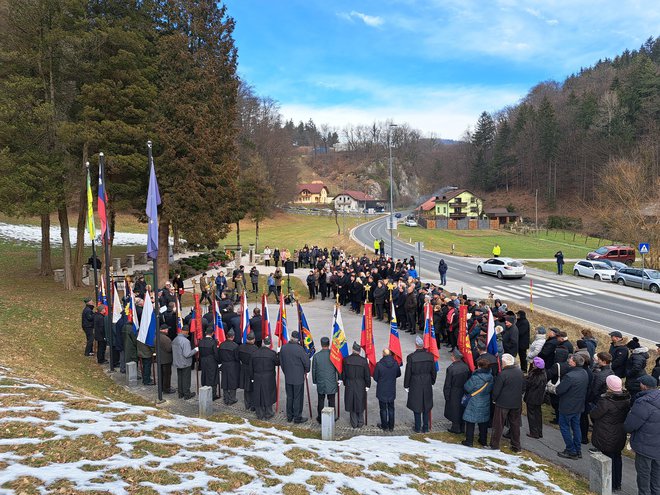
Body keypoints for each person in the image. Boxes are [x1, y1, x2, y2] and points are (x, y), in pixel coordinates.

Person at [590, 375, 631, 493]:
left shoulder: (606, 401)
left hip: (606, 432)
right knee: (617, 457)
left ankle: (608, 483)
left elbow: (595, 414)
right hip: (619, 432)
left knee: (607, 457)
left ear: (609, 386)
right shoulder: (626, 399)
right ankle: (617, 482)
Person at [624, 374, 660, 495]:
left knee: (644, 477)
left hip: (645, 446)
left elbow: (630, 425)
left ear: (643, 386)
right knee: (656, 479)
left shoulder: (643, 402)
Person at [556, 354, 590, 459]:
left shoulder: (570, 376)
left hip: (567, 406)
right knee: (576, 427)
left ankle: (571, 450)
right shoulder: (584, 373)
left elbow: (559, 390)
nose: (568, 360)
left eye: (570, 360)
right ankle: (577, 449)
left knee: (565, 427)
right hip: (578, 405)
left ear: (574, 363)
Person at [489, 353, 525, 453]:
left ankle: (494, 445)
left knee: (498, 425)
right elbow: (523, 387)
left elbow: (496, 390)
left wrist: (494, 399)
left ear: (504, 363)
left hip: (502, 403)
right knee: (515, 425)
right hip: (516, 403)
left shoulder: (503, 374)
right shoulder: (520, 373)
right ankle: (516, 447)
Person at [404, 336, 437, 433]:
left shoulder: (411, 357)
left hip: (415, 382)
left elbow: (408, 372)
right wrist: (432, 381)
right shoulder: (430, 356)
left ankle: (418, 427)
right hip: (426, 381)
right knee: (426, 404)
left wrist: (406, 385)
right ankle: (425, 427)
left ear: (416, 345)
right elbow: (433, 371)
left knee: (416, 404)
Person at [279, 330, 311, 423]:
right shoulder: (299, 349)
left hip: (288, 376)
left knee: (289, 397)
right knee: (297, 397)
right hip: (298, 378)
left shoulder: (284, 348)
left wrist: (286, 372)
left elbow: (282, 362)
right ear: (297, 340)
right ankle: (297, 417)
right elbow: (306, 363)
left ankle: (289, 416)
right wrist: (306, 370)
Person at [461, 358, 494, 447]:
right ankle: (483, 440)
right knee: (483, 422)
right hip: (485, 400)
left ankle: (469, 441)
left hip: (474, 401)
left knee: (470, 421)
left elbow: (467, 387)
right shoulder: (491, 377)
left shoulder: (475, 377)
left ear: (479, 366)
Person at [342, 341, 371, 428]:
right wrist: (368, 385)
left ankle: (354, 423)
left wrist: (345, 382)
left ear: (353, 350)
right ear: (359, 351)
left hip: (350, 383)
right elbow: (367, 375)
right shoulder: (364, 361)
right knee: (360, 401)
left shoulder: (346, 360)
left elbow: (343, 374)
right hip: (360, 384)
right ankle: (360, 422)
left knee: (351, 402)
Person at [250, 336, 279, 419]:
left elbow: (250, 367)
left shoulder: (254, 353)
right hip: (269, 377)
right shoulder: (272, 354)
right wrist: (279, 354)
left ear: (262, 343)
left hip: (257, 376)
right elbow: (277, 363)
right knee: (268, 394)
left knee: (258, 394)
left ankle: (259, 413)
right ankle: (268, 413)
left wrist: (252, 378)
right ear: (269, 344)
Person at [311, 337, 338, 424]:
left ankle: (320, 418)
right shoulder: (333, 355)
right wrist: (340, 379)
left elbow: (314, 370)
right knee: (332, 401)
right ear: (329, 344)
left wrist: (314, 381)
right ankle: (332, 417)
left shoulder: (316, 356)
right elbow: (338, 368)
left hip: (321, 382)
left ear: (321, 344)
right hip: (331, 382)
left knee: (321, 401)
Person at [373, 348, 401, 431]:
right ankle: (391, 426)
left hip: (382, 390)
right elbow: (398, 374)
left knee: (383, 409)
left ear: (383, 354)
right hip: (391, 389)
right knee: (391, 408)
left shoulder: (379, 364)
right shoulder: (395, 363)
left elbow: (375, 377)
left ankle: (384, 426)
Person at [444, 349, 470, 434]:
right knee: (462, 408)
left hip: (454, 391)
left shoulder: (451, 369)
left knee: (454, 409)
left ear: (454, 358)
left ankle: (455, 428)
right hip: (463, 389)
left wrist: (446, 395)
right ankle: (462, 427)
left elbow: (447, 384)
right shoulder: (466, 366)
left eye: (452, 356)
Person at [172, 325, 197, 400]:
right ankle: (187, 394)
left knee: (180, 378)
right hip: (185, 363)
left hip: (177, 362)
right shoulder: (186, 341)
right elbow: (187, 354)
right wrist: (195, 350)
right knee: (186, 379)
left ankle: (180, 393)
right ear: (186, 332)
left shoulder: (175, 339)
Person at [525, 357, 547, 439]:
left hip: (531, 397)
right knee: (538, 415)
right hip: (539, 397)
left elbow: (528, 384)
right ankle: (539, 431)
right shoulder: (543, 374)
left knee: (531, 415)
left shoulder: (534, 375)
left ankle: (534, 432)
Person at [218, 329, 240, 405]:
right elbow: (237, 357)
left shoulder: (222, 345)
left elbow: (219, 356)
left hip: (224, 365)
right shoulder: (235, 346)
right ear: (233, 337)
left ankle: (225, 398)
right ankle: (232, 398)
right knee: (232, 381)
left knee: (225, 381)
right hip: (232, 365)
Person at [198, 325, 220, 400]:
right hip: (211, 361)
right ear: (212, 333)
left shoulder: (200, 341)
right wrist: (219, 361)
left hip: (203, 360)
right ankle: (213, 395)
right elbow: (216, 354)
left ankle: (205, 392)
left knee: (204, 375)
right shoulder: (213, 342)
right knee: (212, 377)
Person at [238, 332, 258, 410]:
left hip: (243, 368)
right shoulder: (255, 349)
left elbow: (238, 357)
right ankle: (253, 405)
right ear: (253, 340)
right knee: (252, 388)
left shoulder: (241, 347)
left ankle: (247, 404)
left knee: (246, 388)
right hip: (252, 369)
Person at [158, 324, 175, 394]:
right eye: (167, 329)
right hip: (166, 359)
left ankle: (161, 387)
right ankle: (167, 388)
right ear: (164, 330)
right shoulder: (166, 339)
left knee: (161, 374)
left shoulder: (157, 336)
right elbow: (169, 349)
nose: (168, 331)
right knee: (167, 375)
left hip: (160, 359)